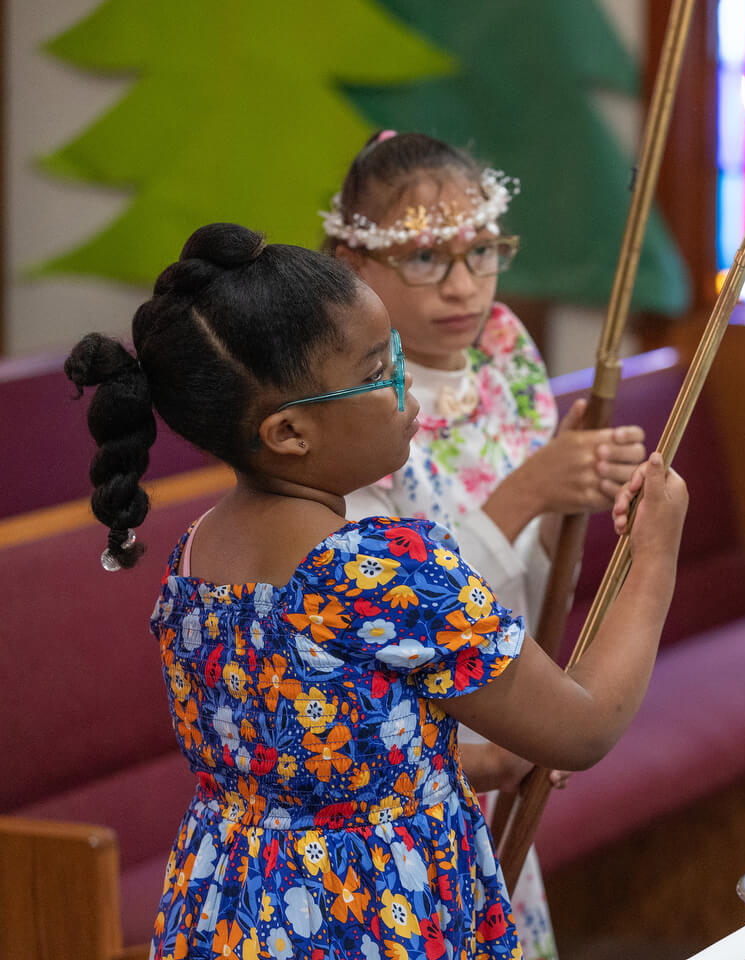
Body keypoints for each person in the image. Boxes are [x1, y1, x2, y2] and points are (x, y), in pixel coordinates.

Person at [65, 223, 687, 960]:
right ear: (290, 433)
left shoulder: (197, 553)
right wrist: (654, 555)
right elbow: (584, 728)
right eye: (380, 370)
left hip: (231, 912)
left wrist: (478, 762)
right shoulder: (379, 568)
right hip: (367, 916)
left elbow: (312, 760)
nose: (406, 385)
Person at [323, 131, 648, 958]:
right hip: (394, 762)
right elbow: (382, 603)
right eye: (424, 258)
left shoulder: (504, 357)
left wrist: (572, 494)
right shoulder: (346, 397)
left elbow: (533, 582)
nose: (463, 285)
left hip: (499, 703)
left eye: (482, 252)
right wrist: (529, 492)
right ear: (353, 263)